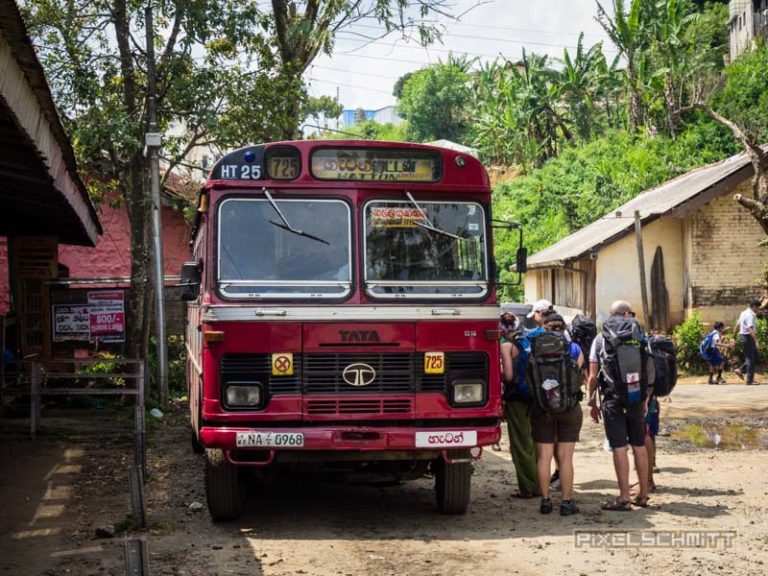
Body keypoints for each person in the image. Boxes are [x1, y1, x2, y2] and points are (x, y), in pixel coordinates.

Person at [587, 300, 651, 511]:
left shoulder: (600, 339)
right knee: (639, 445)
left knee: (619, 447)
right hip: (636, 397)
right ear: (626, 314)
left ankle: (624, 496)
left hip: (613, 398)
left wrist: (592, 403)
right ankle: (643, 493)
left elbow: (593, 377)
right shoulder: (640, 335)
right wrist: (645, 399)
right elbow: (649, 370)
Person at [529, 313, 584, 516]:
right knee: (566, 456)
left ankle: (545, 501)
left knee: (544, 456)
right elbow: (579, 378)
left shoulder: (534, 347)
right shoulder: (575, 348)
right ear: (563, 327)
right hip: (569, 408)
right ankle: (567, 502)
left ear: (545, 327)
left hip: (542, 408)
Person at [499, 304, 539, 499]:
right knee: (533, 440)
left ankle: (527, 487)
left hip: (516, 398)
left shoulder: (506, 345)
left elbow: (507, 376)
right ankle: (541, 484)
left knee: (520, 443)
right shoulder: (527, 341)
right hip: (534, 396)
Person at [735, 299, 761, 386]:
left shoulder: (743, 313)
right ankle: (749, 380)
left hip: (743, 336)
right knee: (750, 359)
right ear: (754, 307)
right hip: (747, 337)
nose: (758, 310)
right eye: (758, 308)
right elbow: (750, 329)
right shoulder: (750, 315)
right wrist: (756, 341)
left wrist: (734, 336)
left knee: (753, 357)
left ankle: (741, 370)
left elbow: (737, 325)